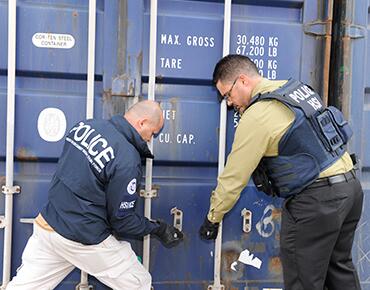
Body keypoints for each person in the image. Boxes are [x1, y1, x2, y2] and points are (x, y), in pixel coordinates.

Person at [199, 54, 363, 290]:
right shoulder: (296, 90)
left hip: (316, 202)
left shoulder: (257, 114)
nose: (229, 103)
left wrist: (212, 218)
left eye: (228, 95)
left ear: (243, 81)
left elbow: (234, 177)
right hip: (349, 190)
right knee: (339, 271)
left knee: (302, 281)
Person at [7, 100, 184, 290]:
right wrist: (157, 228)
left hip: (48, 225)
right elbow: (122, 221)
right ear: (142, 123)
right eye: (153, 133)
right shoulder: (126, 158)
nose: (150, 139)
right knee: (138, 282)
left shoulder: (85, 126)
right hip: (82, 238)